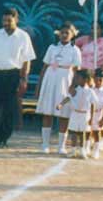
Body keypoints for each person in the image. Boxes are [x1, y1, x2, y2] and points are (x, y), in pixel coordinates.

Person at [0, 8, 35, 149]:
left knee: (9, 110)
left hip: (13, 75)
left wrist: (24, 79)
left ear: (16, 19)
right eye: (4, 20)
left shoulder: (23, 36)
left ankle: (2, 140)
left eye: (9, 20)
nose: (6, 23)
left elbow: (27, 60)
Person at [35, 23, 82, 154]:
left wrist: (73, 86)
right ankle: (45, 144)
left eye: (67, 33)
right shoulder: (52, 48)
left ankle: (61, 146)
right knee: (48, 112)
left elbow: (78, 70)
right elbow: (44, 67)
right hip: (50, 80)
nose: (64, 35)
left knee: (64, 113)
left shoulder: (75, 50)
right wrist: (39, 85)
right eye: (62, 32)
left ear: (73, 35)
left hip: (65, 80)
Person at [59, 69, 95, 159]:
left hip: (85, 115)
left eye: (78, 78)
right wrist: (61, 104)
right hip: (75, 114)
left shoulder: (90, 91)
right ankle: (73, 150)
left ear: (85, 79)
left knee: (82, 133)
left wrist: (92, 118)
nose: (76, 79)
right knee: (74, 133)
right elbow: (68, 98)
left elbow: (93, 104)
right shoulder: (75, 90)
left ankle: (83, 150)